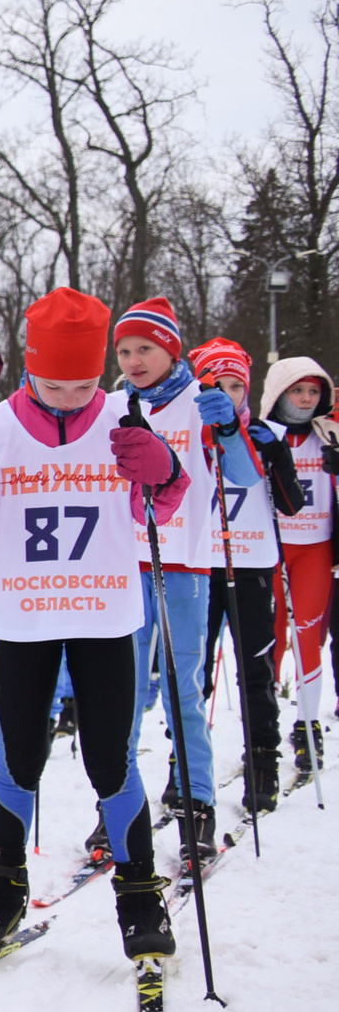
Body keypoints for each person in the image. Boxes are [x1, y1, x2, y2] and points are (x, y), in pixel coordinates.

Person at [0, 287, 179, 961]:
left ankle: (138, 896)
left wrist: (161, 468)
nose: (72, 397)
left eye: (84, 384)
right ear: (30, 366)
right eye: (55, 383)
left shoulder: (123, 417)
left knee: (110, 757)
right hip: (24, 613)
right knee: (19, 753)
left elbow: (159, 505)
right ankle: (1, 890)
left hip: (103, 613)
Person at [109, 298, 253, 849]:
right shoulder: (117, 404)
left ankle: (197, 802)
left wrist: (234, 426)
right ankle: (117, 802)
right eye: (124, 351)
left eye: (145, 348)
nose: (134, 360)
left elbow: (241, 478)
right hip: (123, 565)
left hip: (184, 565)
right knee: (120, 695)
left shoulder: (202, 401)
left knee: (181, 692)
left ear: (170, 349)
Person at [190, 337, 295, 813]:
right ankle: (185, 770)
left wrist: (277, 460)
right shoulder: (188, 431)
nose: (229, 395)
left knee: (256, 671)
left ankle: (262, 765)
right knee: (195, 676)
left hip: (252, 568)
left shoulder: (266, 433)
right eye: (218, 385)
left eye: (237, 386)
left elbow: (293, 506)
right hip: (198, 565)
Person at [260, 356, 336, 778]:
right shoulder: (262, 434)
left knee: (309, 637)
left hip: (316, 548)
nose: (306, 400)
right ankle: (266, 725)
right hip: (271, 549)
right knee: (273, 638)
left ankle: (308, 725)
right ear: (280, 393)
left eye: (313, 392)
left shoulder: (330, 433)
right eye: (297, 391)